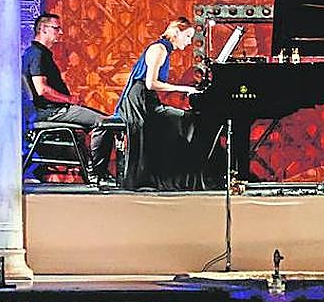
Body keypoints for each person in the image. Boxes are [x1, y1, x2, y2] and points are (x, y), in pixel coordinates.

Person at [22, 12, 112, 182]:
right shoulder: (37, 54)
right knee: (105, 122)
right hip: (52, 112)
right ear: (43, 29)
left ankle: (91, 171)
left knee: (92, 126)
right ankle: (97, 173)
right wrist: (69, 100)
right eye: (56, 28)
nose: (60, 32)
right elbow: (42, 89)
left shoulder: (37, 53)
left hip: (53, 110)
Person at [114, 17, 201, 190]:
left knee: (181, 120)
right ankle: (166, 177)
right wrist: (183, 89)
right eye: (187, 36)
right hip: (139, 102)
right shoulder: (159, 49)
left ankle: (173, 177)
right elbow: (150, 83)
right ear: (176, 32)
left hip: (147, 100)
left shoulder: (165, 50)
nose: (189, 41)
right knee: (181, 120)